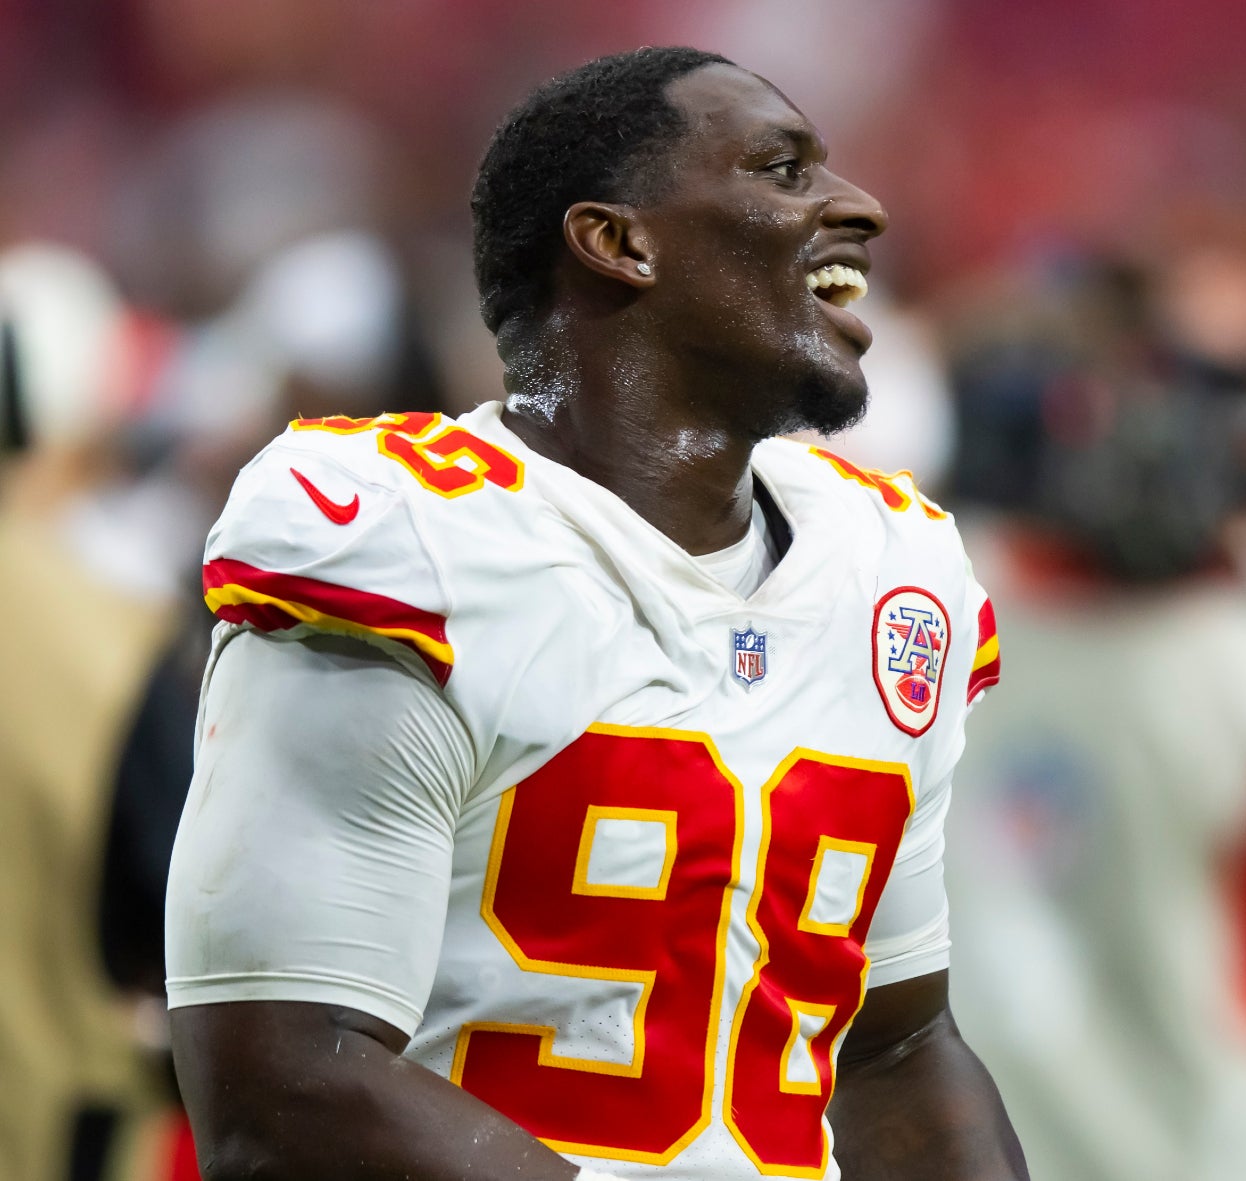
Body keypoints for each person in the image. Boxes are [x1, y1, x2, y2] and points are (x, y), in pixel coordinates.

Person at [164, 46, 1026, 1181]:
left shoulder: (891, 571)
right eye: (781, 169)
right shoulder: (414, 543)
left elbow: (895, 1044)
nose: (855, 206)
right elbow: (285, 1084)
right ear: (619, 242)